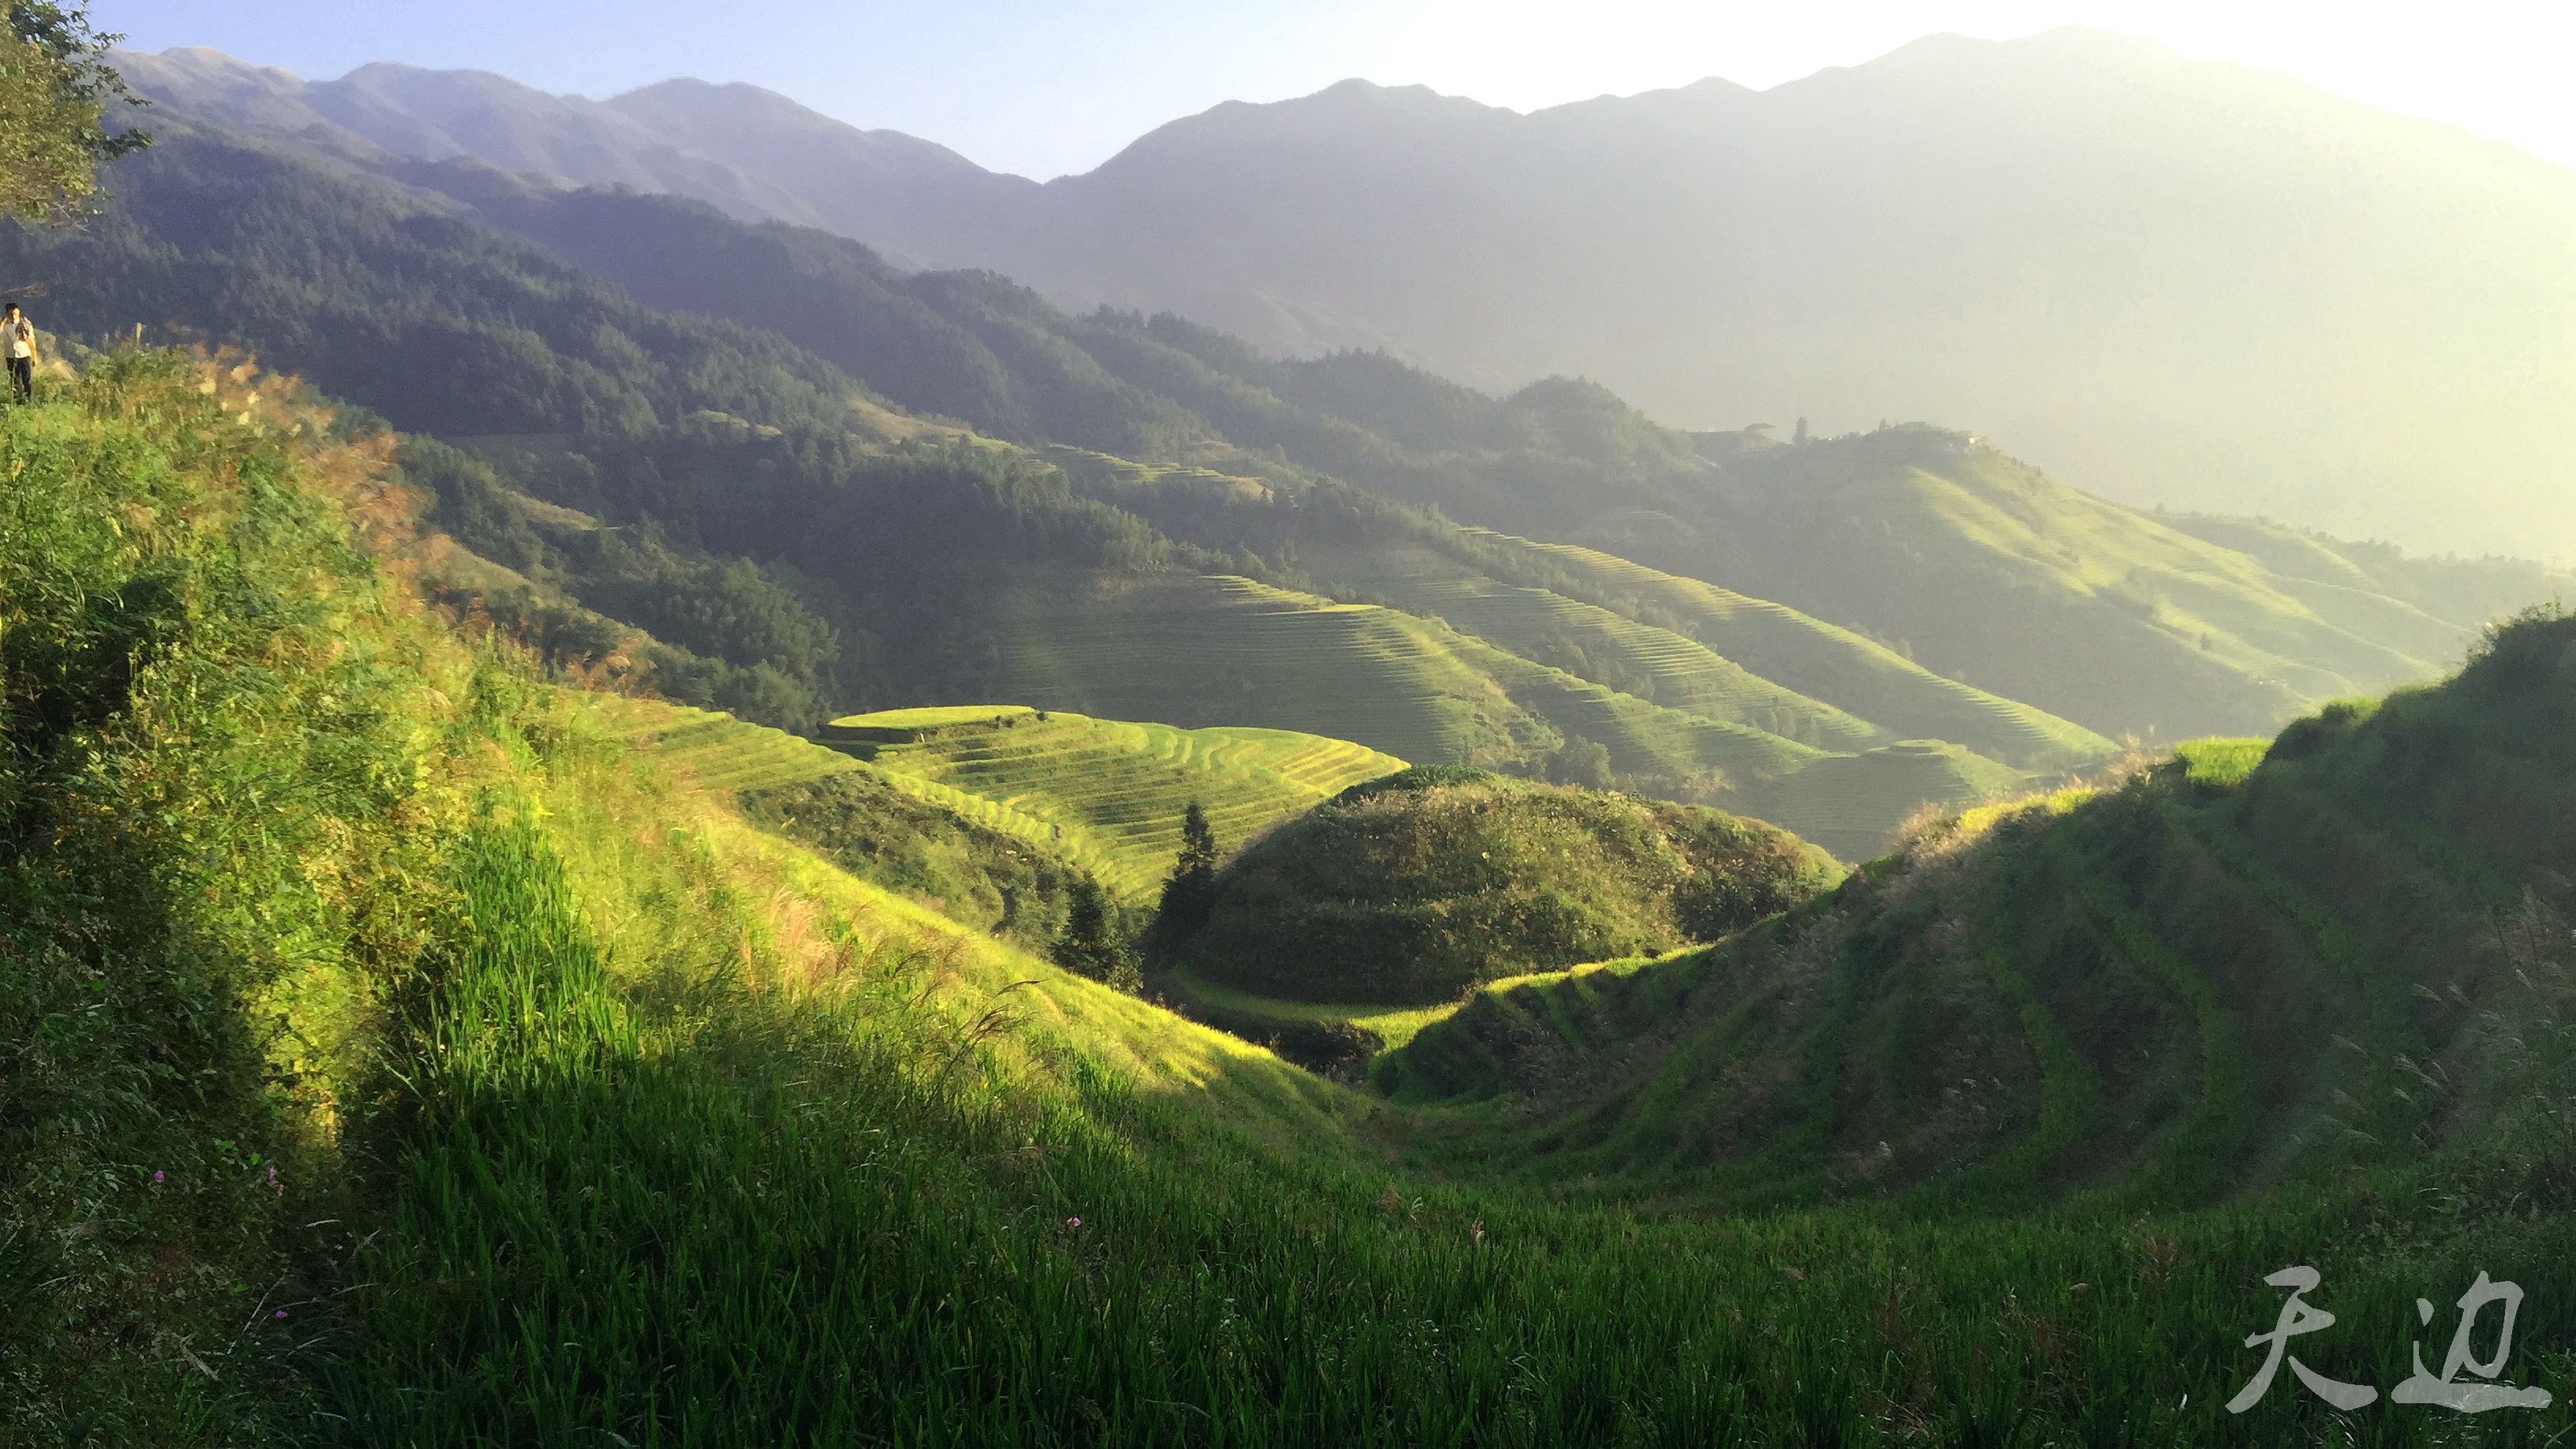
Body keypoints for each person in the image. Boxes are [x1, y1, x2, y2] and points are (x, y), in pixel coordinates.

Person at [2, 304, 34, 403]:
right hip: (11, 355)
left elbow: (31, 340)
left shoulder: (24, 324)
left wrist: (34, 356)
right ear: (7, 313)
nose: (14, 315)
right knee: (15, 380)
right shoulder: (5, 326)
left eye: (15, 313)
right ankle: (17, 401)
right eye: (11, 313)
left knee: (27, 379)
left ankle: (29, 400)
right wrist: (2, 322)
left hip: (23, 354)